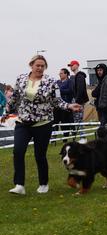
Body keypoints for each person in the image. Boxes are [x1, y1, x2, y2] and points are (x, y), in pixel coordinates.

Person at [5, 55, 81, 195]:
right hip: (23, 122)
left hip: (43, 123)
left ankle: (43, 183)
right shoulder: (21, 79)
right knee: (18, 151)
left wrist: (69, 105)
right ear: (31, 65)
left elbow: (57, 101)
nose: (40, 68)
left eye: (42, 66)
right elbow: (15, 97)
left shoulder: (51, 81)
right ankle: (19, 185)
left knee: (40, 155)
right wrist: (7, 111)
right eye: (37, 65)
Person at [68, 60, 89, 143]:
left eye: (72, 65)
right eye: (70, 65)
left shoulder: (79, 76)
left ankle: (83, 137)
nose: (70, 67)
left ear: (76, 65)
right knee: (77, 119)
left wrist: (77, 101)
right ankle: (82, 136)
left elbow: (80, 90)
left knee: (79, 119)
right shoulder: (76, 76)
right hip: (77, 100)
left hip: (79, 101)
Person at [53, 68, 74, 141]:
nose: (60, 74)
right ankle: (53, 138)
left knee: (65, 122)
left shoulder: (70, 82)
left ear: (66, 74)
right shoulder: (57, 82)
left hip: (66, 105)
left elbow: (70, 90)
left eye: (61, 73)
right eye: (60, 73)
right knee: (55, 122)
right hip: (56, 105)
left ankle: (65, 138)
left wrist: (59, 90)